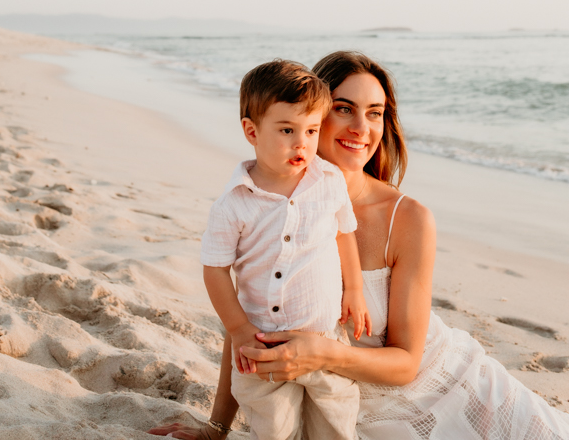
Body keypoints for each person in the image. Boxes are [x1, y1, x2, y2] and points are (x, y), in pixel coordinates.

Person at [150, 51, 569, 440]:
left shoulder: (408, 218)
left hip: (447, 392)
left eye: (375, 113)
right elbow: (248, 320)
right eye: (344, 108)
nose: (361, 129)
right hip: (344, 418)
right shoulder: (263, 203)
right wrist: (216, 427)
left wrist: (323, 354)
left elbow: (406, 362)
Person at [200, 59, 370, 440]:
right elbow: (214, 269)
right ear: (251, 131)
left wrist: (354, 290)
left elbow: (344, 233)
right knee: (276, 428)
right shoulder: (234, 204)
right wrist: (239, 329)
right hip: (263, 343)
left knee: (335, 424)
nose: (302, 143)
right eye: (287, 130)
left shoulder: (328, 181)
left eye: (312, 130)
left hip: (324, 337)